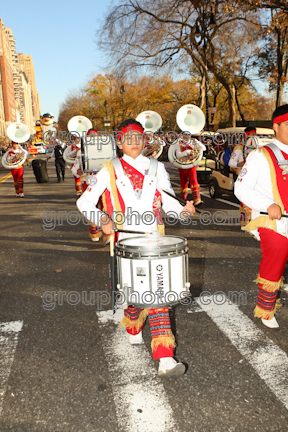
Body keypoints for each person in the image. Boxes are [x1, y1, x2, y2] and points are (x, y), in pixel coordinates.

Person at [77, 119, 195, 377]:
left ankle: (165, 359)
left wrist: (184, 212)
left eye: (139, 137)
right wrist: (102, 218)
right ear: (119, 142)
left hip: (154, 240)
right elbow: (84, 202)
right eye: (128, 137)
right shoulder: (108, 169)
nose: (134, 142)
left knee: (156, 296)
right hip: (125, 242)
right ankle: (132, 324)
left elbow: (168, 202)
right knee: (137, 295)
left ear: (145, 140)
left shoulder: (157, 168)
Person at [235, 104, 288, 329]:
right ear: (275, 126)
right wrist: (268, 204)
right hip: (273, 220)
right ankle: (266, 310)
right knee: (275, 259)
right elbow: (241, 188)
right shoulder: (260, 154)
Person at [174, 135, 203, 205]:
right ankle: (183, 199)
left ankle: (197, 199)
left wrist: (197, 142)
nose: (188, 136)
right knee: (183, 181)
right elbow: (178, 155)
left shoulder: (192, 142)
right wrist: (187, 152)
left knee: (194, 180)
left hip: (191, 164)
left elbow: (203, 148)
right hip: (182, 165)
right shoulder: (178, 143)